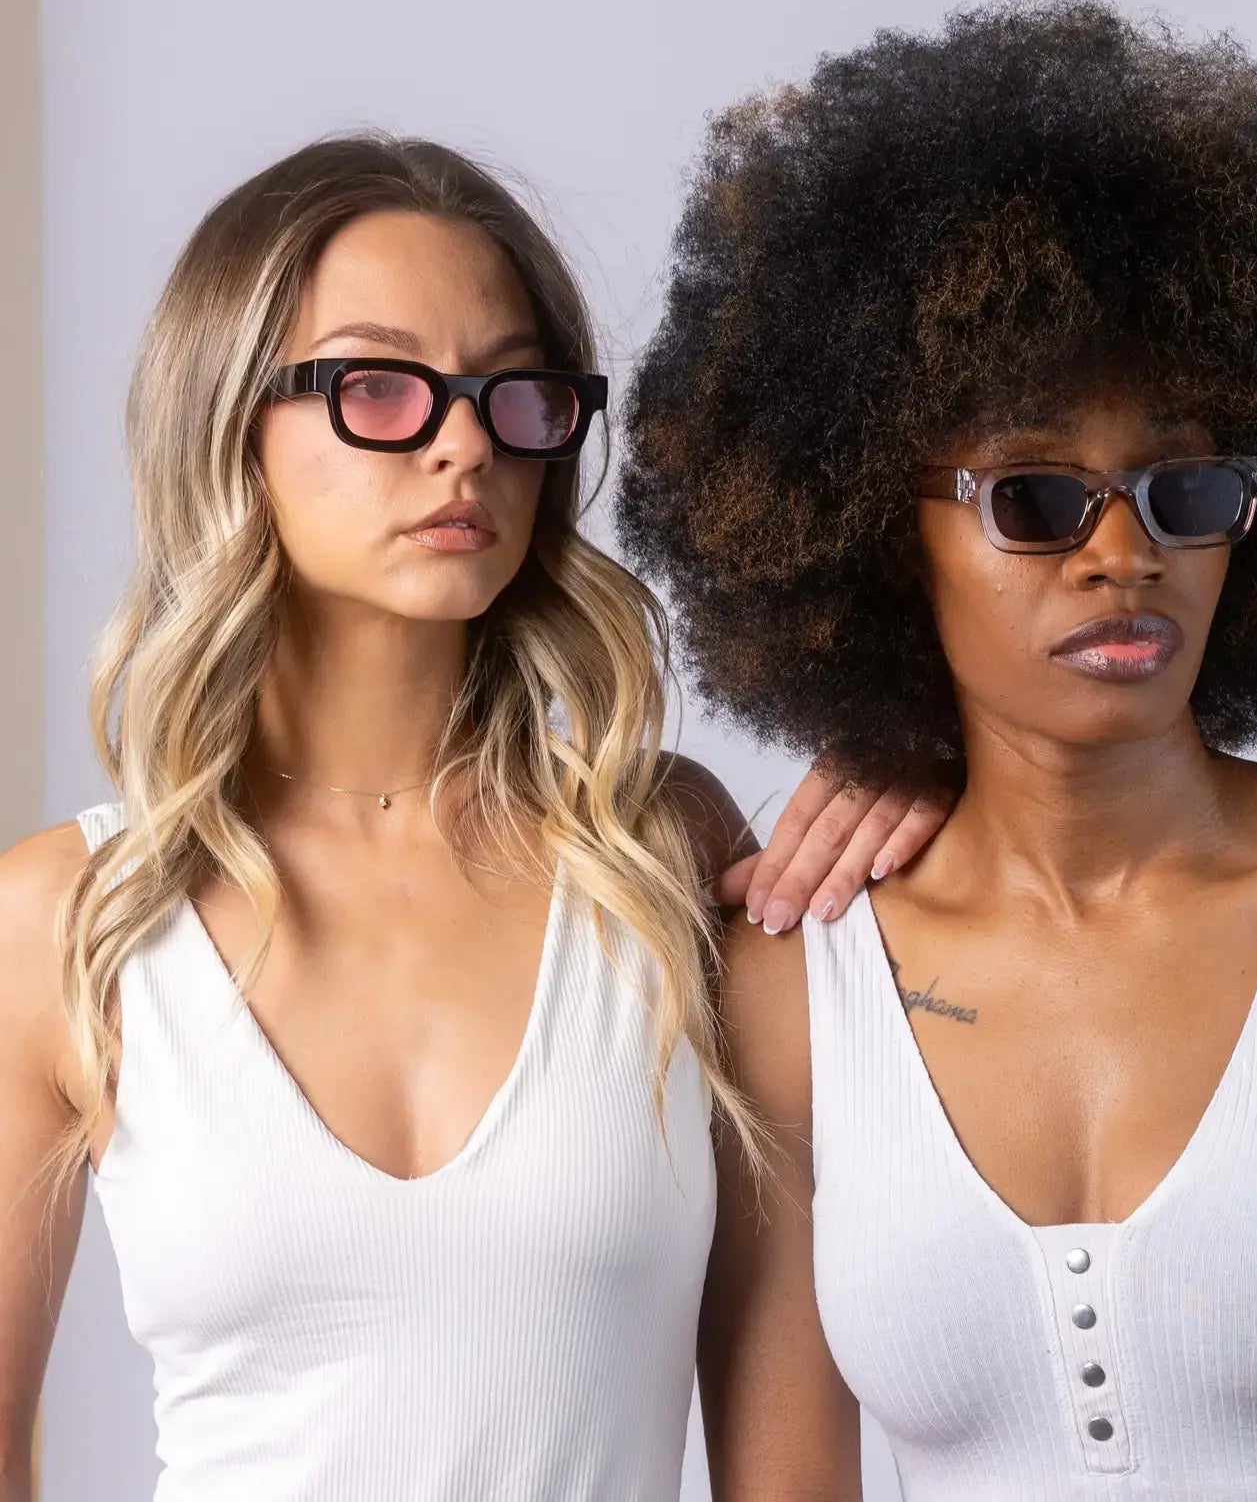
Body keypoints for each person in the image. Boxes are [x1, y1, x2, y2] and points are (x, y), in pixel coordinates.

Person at [622, 0, 1257, 1500]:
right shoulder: (791, 980)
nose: (1120, 554)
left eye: (1184, 492)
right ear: (888, 536)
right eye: (1034, 497)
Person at [0, 134, 942, 1502]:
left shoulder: (665, 856)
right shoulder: (64, 920)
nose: (462, 442)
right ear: (227, 420)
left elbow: (791, 1463)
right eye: (379, 386)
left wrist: (949, 771)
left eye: (514, 393)